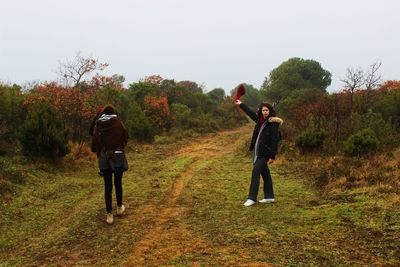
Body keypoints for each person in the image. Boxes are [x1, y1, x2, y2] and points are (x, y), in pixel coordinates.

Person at [235, 98, 283, 207]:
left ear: (270, 111)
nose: (265, 112)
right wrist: (241, 104)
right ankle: (269, 196)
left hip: (264, 154)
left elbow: (274, 141)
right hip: (257, 152)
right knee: (265, 173)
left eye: (266, 110)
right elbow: (250, 113)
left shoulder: (273, 123)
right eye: (263, 110)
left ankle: (251, 198)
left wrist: (272, 156)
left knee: (255, 172)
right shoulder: (260, 120)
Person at [93, 104, 129, 224]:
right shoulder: (118, 124)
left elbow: (94, 146)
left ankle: (109, 215)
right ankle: (119, 208)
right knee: (118, 183)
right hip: (116, 157)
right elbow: (126, 138)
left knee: (107, 187)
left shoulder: (98, 126)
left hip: (104, 158)